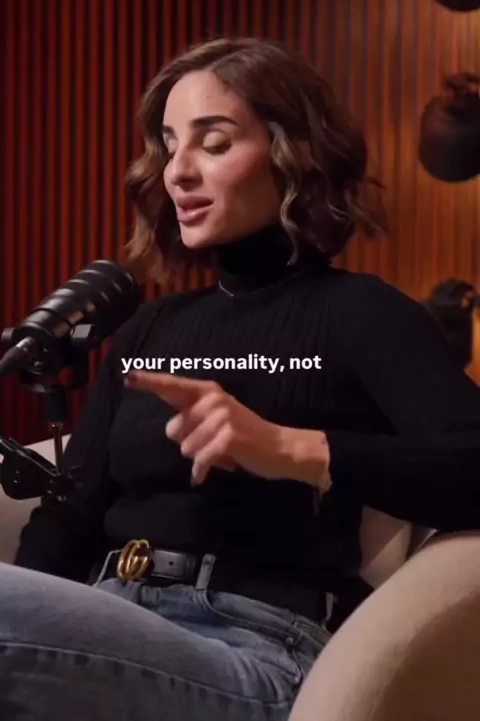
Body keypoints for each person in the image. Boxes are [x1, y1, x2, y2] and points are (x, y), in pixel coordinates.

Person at [2, 37, 480, 721]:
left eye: (214, 143)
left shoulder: (361, 313)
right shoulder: (150, 328)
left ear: (295, 154)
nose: (178, 172)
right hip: (110, 620)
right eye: (169, 145)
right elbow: (69, 519)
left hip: (254, 647)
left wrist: (293, 449)